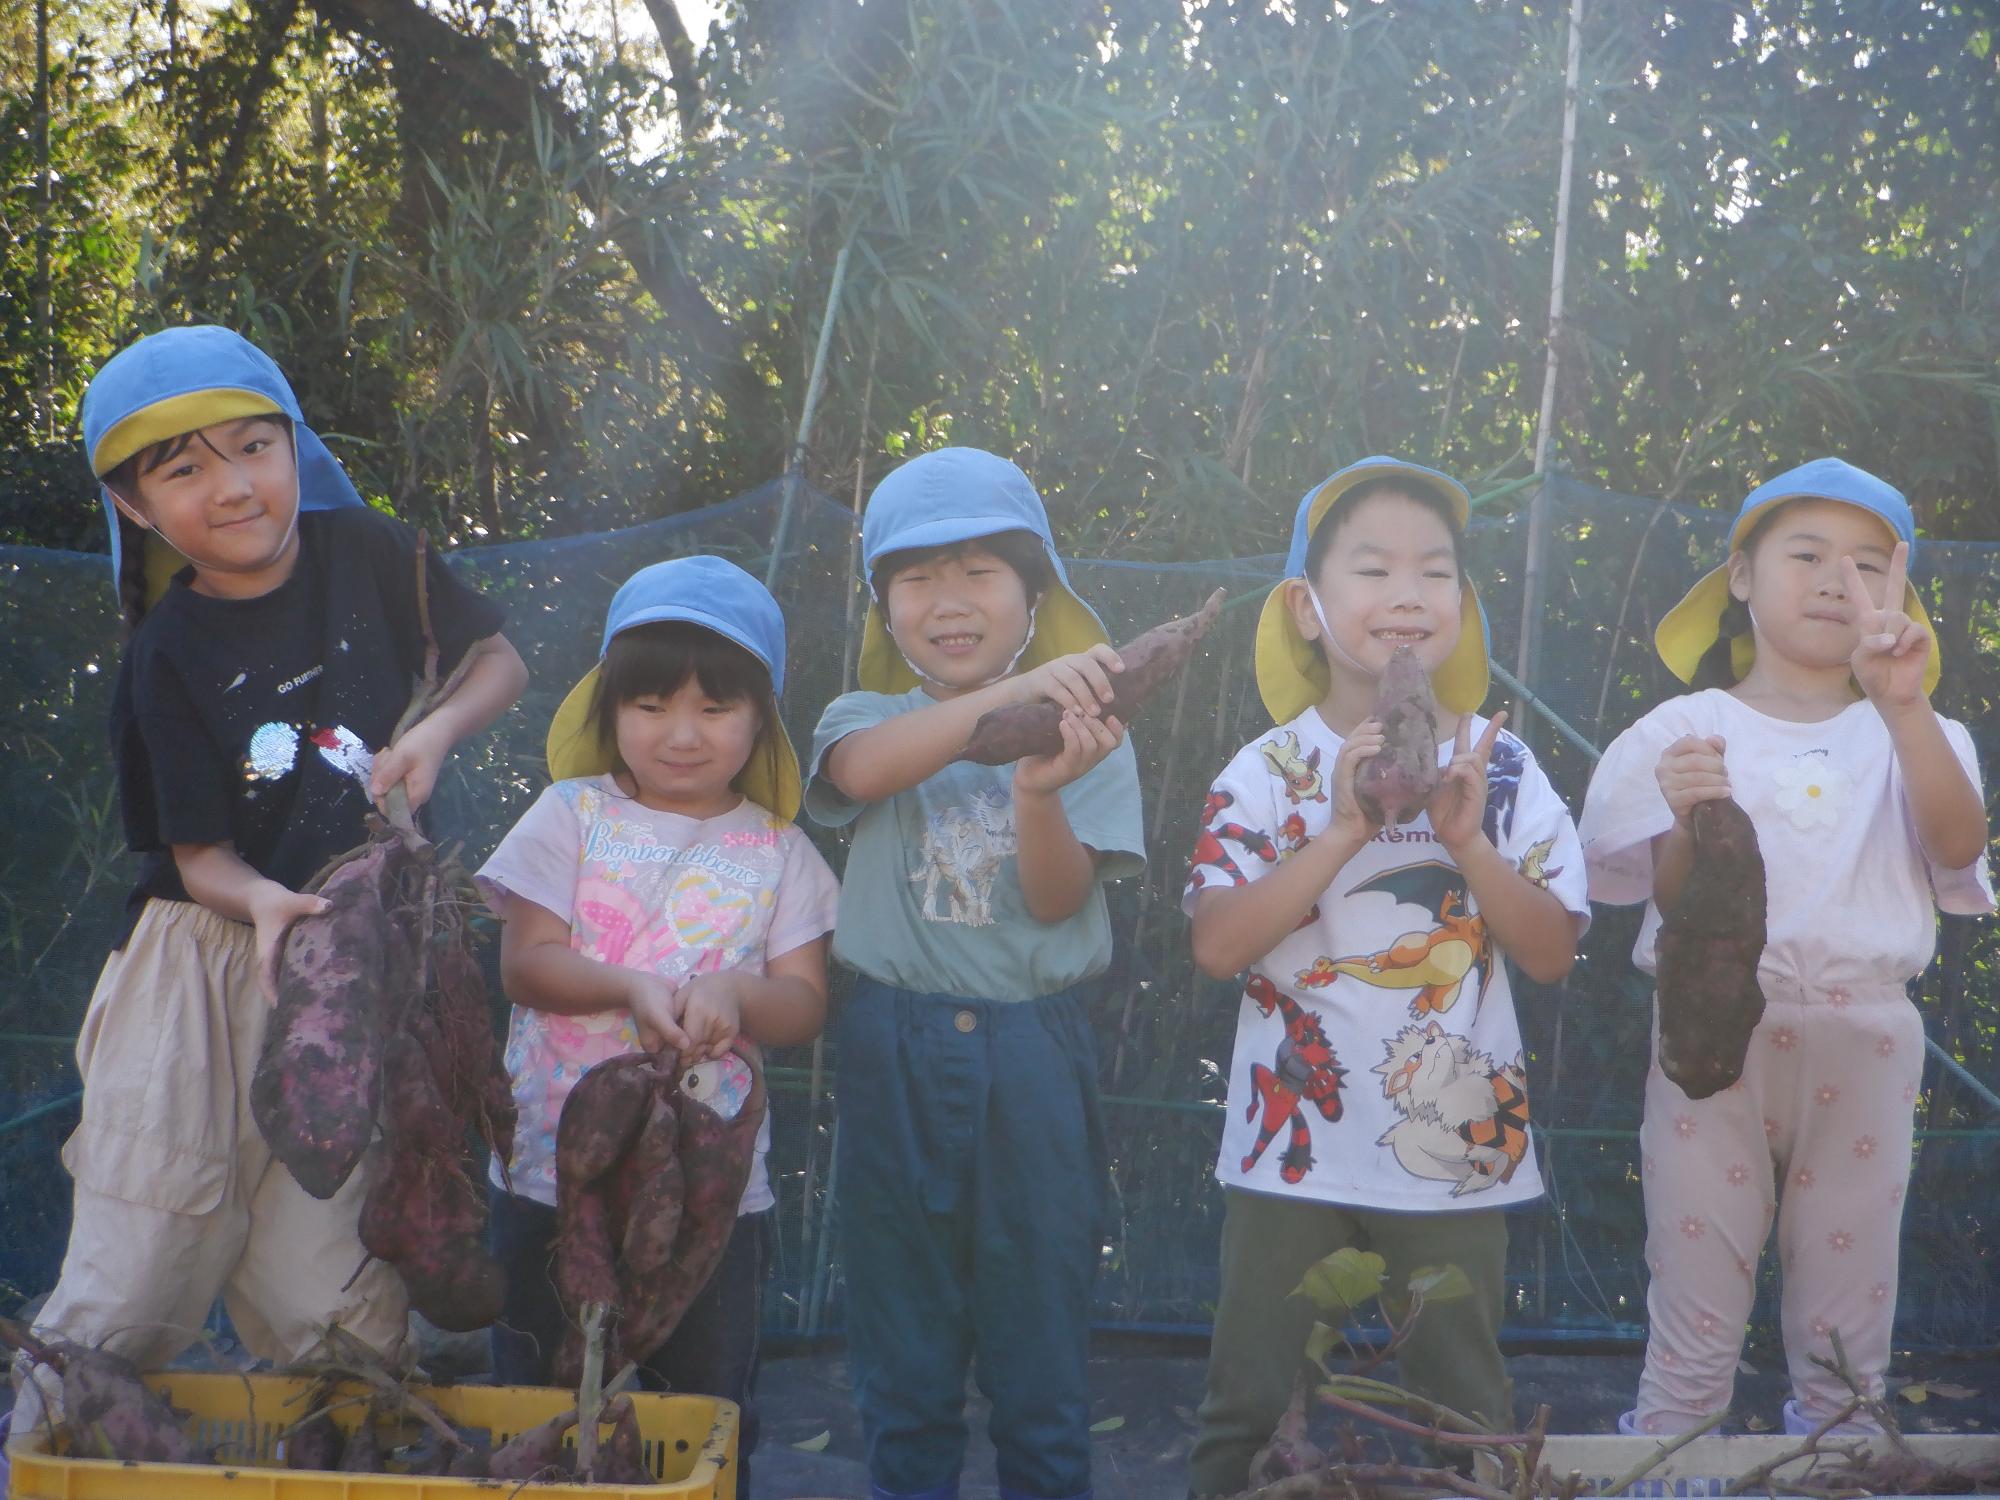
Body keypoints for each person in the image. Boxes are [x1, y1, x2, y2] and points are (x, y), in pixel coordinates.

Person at [8, 324, 526, 1444]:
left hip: (355, 962)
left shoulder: (376, 555)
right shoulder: (167, 650)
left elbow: (499, 659)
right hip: (200, 959)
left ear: (296, 448)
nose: (232, 485)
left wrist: (433, 736)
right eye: (184, 468)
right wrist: (264, 907)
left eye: (252, 447)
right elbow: (199, 859)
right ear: (135, 508)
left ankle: (349, 1458)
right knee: (141, 1262)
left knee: (329, 1299)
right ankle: (41, 1455)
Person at [1182, 457, 1588, 1498]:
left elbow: (1548, 952)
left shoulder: (1501, 769)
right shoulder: (1264, 772)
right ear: (1305, 608)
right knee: (1244, 1409)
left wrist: (1471, 848)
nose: (1407, 594)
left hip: (1455, 1158)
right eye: (1371, 569)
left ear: (1460, 605)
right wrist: (1342, 828)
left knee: (1466, 1411)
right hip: (1291, 1153)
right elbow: (1218, 946)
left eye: (1435, 572)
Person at [1578, 457, 1993, 1438]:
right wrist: (1686, 816)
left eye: (1863, 565)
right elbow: (1680, 902)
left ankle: (1842, 1453)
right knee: (1693, 1272)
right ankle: (1670, 1449)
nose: (1829, 580)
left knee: (1848, 1292)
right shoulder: (1682, 727)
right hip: (1707, 1036)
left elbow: (1957, 846)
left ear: (1898, 598)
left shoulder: (1923, 732)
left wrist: (1899, 704)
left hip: (1865, 1034)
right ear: (1737, 576)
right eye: (1803, 553)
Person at [805, 447, 1145, 1500]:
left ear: (1032, 595)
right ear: (882, 606)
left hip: (1031, 1055)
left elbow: (1055, 901)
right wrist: (1019, 697)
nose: (948, 602)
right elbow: (861, 777)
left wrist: (1041, 788)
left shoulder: (1094, 737)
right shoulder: (860, 720)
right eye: (916, 578)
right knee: (903, 1355)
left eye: (979, 573)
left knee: (1038, 1355)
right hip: (888, 1044)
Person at [476, 555, 836, 1489]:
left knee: (708, 1407)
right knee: (534, 1405)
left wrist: (736, 993)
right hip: (550, 1176)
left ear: (759, 720)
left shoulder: (780, 851)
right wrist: (631, 987)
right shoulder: (569, 815)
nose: (682, 734)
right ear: (608, 710)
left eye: (715, 711)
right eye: (651, 707)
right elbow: (525, 963)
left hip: (713, 1197)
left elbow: (800, 1003)